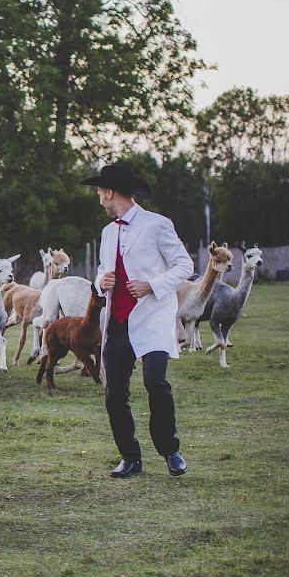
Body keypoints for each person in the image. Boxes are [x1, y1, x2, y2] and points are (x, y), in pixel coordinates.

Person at [82, 164, 194, 478]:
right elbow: (103, 273)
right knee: (114, 392)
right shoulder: (107, 233)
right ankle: (130, 456)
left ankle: (170, 450)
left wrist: (152, 285)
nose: (99, 198)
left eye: (100, 192)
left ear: (109, 192)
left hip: (152, 317)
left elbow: (185, 264)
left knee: (155, 382)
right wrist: (98, 283)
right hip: (117, 321)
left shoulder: (157, 224)